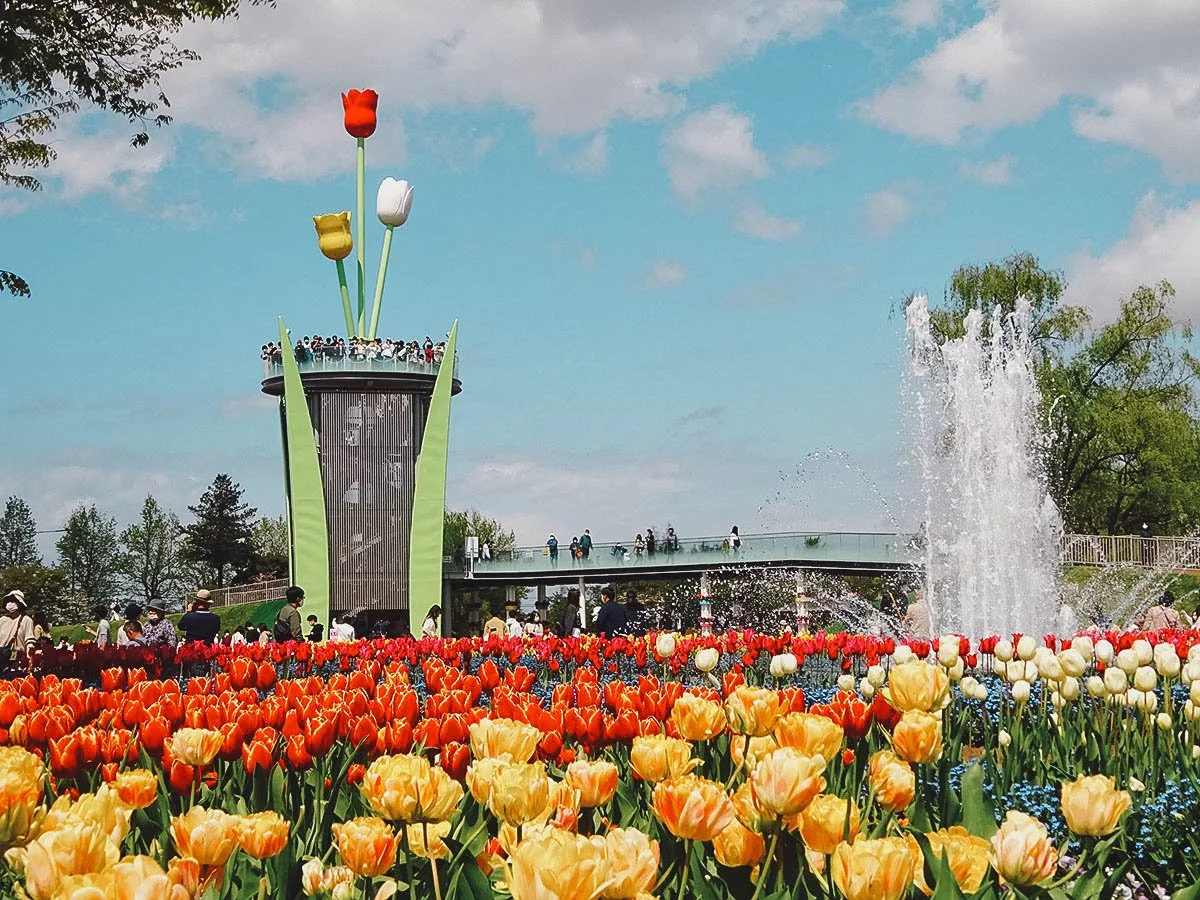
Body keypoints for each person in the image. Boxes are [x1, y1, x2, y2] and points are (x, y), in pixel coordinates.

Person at [0, 590, 37, 669]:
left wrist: (30, 654)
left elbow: (29, 640)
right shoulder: (2, 620)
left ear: (19, 604)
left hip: (17, 659)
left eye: (13, 601)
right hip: (1, 657)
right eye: (8, 601)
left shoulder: (26, 620)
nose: (10, 603)